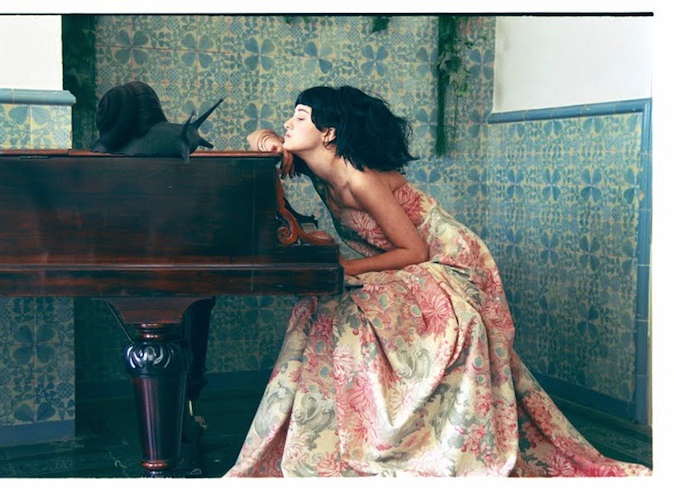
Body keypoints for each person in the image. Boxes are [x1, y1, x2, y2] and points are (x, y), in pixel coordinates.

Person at [225, 85, 652, 477]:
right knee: (323, 303)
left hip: (448, 260)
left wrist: (345, 268)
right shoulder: (317, 168)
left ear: (329, 133)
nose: (289, 123)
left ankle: (397, 437)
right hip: (400, 263)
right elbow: (257, 136)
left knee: (344, 299)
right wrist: (269, 142)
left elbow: (415, 250)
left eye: (300, 117)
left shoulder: (360, 180)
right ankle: (335, 432)